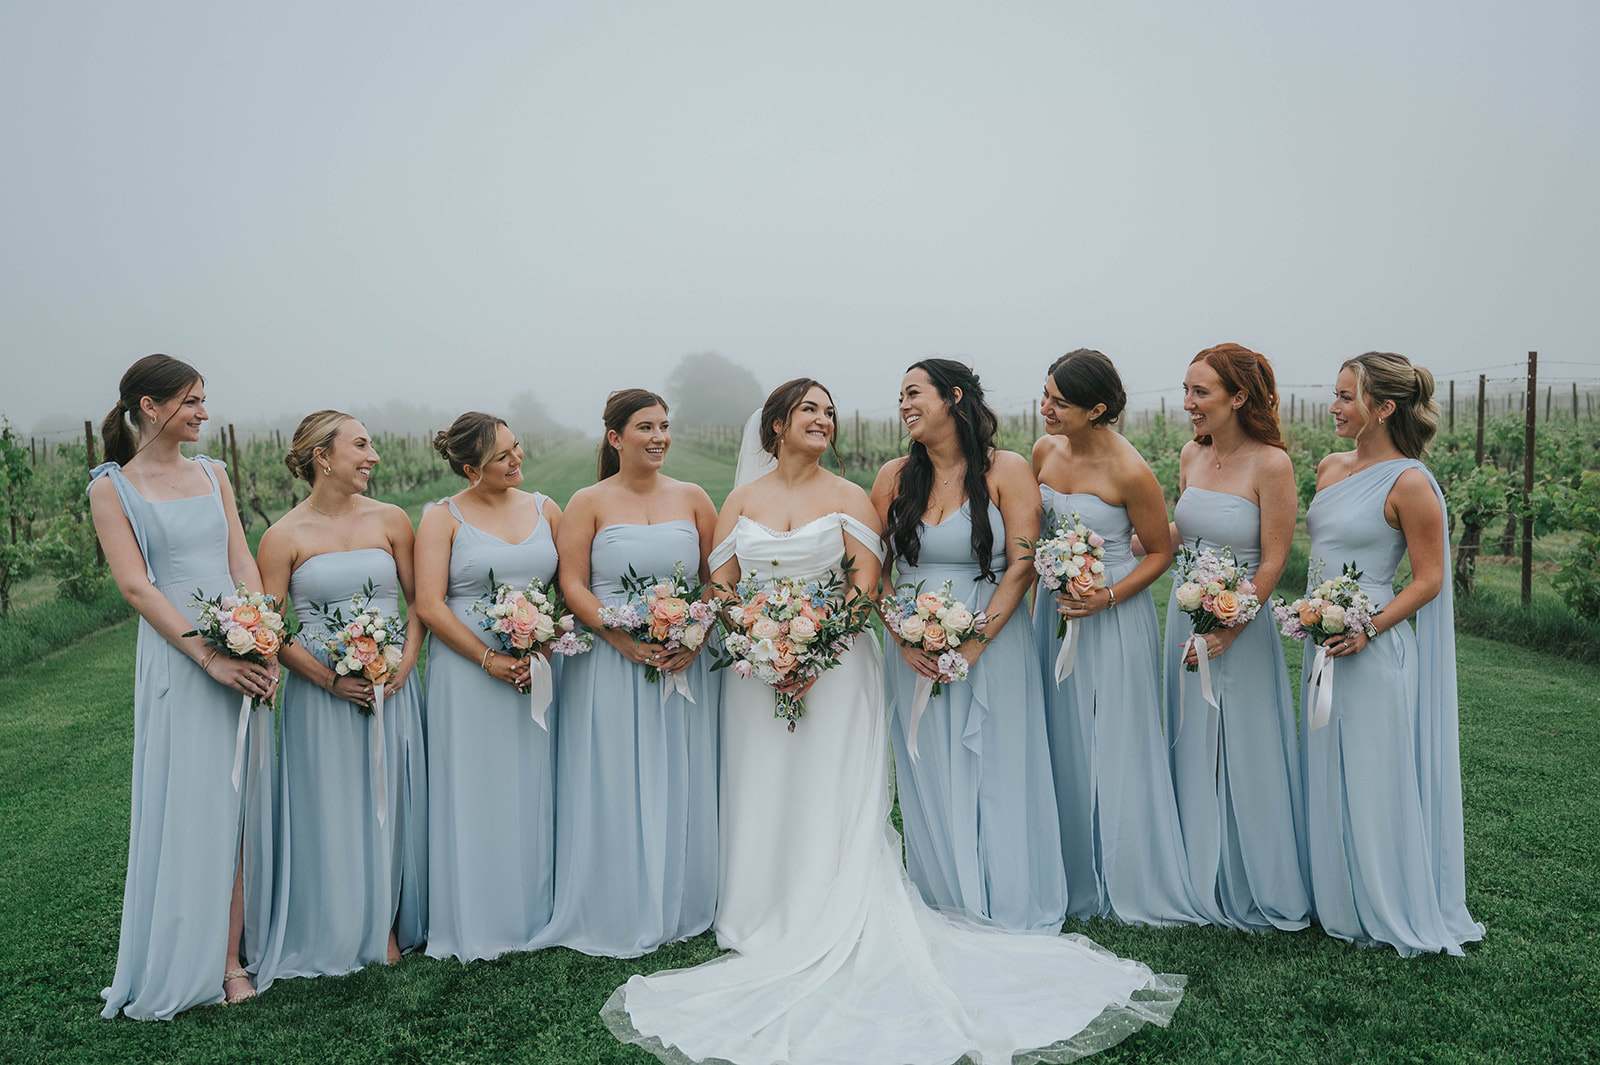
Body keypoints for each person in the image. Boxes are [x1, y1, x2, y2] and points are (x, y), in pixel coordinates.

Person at [603, 378, 1183, 1065]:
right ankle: (759, 907)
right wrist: (760, 641)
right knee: (761, 786)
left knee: (835, 789)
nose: (824, 419)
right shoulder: (743, 500)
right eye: (809, 409)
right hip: (755, 677)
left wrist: (815, 646)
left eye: (829, 410)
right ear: (776, 425)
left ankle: (848, 900)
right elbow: (721, 583)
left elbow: (865, 582)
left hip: (836, 668)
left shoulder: (852, 495)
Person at [90, 354, 278, 1017]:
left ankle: (234, 948)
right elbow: (137, 587)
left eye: (203, 399)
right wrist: (208, 656)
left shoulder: (213, 473)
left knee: (240, 801)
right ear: (149, 406)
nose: (202, 412)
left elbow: (240, 558)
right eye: (191, 400)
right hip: (181, 656)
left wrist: (262, 633)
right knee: (195, 802)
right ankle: (210, 960)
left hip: (240, 641)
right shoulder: (113, 488)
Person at [871, 359, 1066, 929]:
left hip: (994, 642)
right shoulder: (892, 477)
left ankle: (1006, 894)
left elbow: (1023, 563)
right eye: (900, 396)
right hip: (914, 647)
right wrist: (903, 636)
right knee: (930, 764)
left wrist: (976, 642)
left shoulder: (1005, 469)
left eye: (914, 393)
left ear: (953, 397)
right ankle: (945, 896)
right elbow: (872, 568)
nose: (904, 405)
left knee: (998, 762)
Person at [1300, 352, 1483, 956]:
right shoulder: (1330, 468)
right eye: (1335, 394)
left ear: (1382, 408)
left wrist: (1367, 628)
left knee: (1374, 773)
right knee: (1328, 765)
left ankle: (1386, 902)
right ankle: (1337, 897)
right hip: (1322, 638)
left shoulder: (1411, 483)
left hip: (1371, 644)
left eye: (1346, 396)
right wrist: (1315, 615)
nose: (1334, 406)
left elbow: (1428, 579)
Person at [533, 388, 720, 957]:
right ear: (616, 438)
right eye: (645, 427)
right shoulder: (588, 502)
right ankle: (615, 897)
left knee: (676, 767)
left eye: (664, 425)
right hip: (609, 663)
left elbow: (717, 578)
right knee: (613, 772)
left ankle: (681, 891)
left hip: (681, 660)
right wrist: (617, 636)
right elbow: (571, 583)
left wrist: (694, 635)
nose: (659, 437)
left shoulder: (693, 498)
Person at [1032, 349, 1207, 925]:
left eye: (1060, 402)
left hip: (1111, 608)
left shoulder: (1130, 471)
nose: (1046, 408)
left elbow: (1158, 552)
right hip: (1054, 605)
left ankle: (1126, 870)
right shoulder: (1044, 451)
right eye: (1046, 395)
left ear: (1096, 409)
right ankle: (1066, 862)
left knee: (1114, 731)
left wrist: (1106, 596)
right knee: (1060, 725)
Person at [253, 410, 428, 981]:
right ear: (323, 457)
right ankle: (339, 921)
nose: (372, 456)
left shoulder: (392, 520)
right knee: (330, 804)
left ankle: (389, 921)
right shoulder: (282, 537)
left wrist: (404, 663)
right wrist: (330, 679)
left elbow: (419, 602)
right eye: (361, 445)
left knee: (392, 798)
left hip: (391, 687)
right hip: (320, 696)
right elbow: (271, 630)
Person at [414, 412, 561, 961]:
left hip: (534, 669)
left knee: (532, 780)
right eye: (503, 456)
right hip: (467, 674)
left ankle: (537, 908)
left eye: (516, 447)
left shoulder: (546, 508)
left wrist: (545, 642)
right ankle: (475, 915)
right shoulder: (442, 518)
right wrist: (488, 658)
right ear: (471, 469)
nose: (517, 459)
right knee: (474, 786)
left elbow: (567, 585)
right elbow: (429, 604)